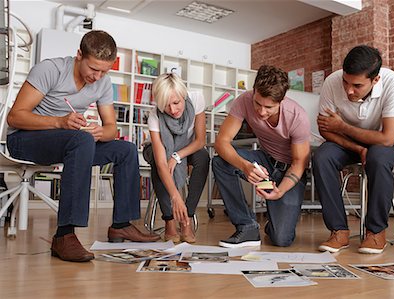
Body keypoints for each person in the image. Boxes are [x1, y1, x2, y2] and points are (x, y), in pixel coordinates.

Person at [6, 30, 159, 263]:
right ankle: (64, 235)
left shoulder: (103, 82)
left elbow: (110, 128)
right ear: (79, 55)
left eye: (104, 71)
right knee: (81, 140)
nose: (97, 77)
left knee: (125, 150)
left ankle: (121, 225)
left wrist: (101, 132)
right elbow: (15, 117)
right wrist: (59, 121)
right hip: (25, 139)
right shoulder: (50, 70)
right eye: (93, 69)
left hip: (69, 142)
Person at [313, 45, 394, 254]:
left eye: (357, 85)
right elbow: (326, 130)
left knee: (378, 157)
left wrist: (343, 126)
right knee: (322, 157)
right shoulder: (332, 82)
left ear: (375, 80)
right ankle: (339, 230)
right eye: (346, 82)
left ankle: (375, 232)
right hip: (346, 143)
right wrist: (357, 147)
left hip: (384, 146)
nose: (349, 90)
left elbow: (387, 138)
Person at [212, 65, 311, 248]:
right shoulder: (244, 101)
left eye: (269, 107)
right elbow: (221, 142)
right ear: (254, 90)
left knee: (281, 240)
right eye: (258, 103)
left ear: (281, 101)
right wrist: (245, 166)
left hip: (288, 171)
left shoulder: (297, 117)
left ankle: (272, 224)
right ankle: (247, 226)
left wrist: (280, 191)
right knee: (220, 162)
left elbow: (299, 163)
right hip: (264, 162)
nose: (261, 111)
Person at [143, 73, 209, 244]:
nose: (172, 110)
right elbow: (161, 162)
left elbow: (200, 141)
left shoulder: (196, 100)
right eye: (166, 105)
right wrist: (176, 197)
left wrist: (177, 156)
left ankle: (187, 218)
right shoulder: (154, 116)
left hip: (187, 147)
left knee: (203, 157)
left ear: (184, 95)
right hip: (157, 148)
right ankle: (169, 221)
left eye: (176, 103)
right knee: (159, 163)